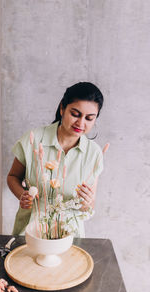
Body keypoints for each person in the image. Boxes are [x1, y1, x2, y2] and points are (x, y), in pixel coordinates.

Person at [7, 82, 104, 237]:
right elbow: (13, 177)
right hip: (31, 231)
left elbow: (89, 205)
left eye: (89, 118)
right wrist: (22, 195)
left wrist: (86, 203)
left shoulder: (94, 154)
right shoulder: (33, 140)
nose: (81, 123)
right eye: (75, 114)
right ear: (62, 108)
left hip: (70, 235)